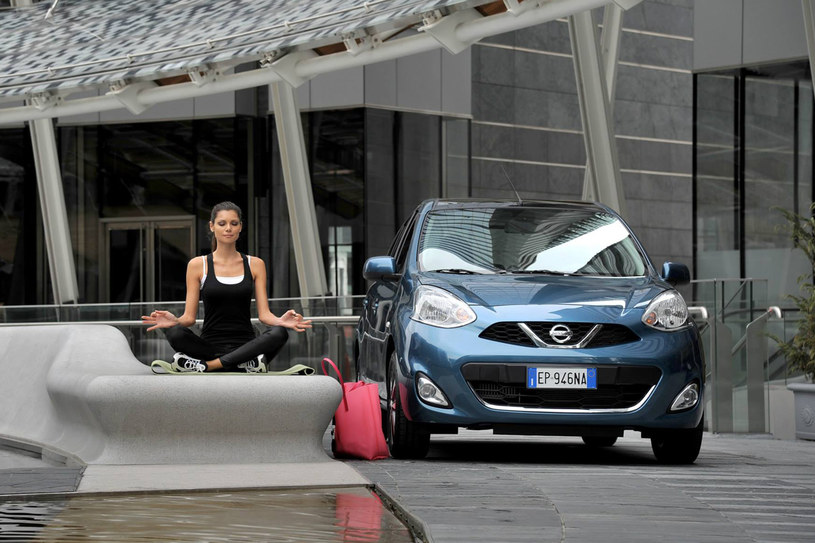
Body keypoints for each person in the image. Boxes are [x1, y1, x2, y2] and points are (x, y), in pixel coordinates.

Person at [141, 201, 311, 372]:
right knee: (175, 333)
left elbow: (265, 315)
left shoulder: (255, 264)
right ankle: (243, 364)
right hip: (208, 347)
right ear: (212, 226)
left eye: (234, 223)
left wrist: (280, 321)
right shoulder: (198, 265)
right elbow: (189, 319)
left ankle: (209, 366)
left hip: (247, 345)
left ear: (240, 227)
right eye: (222, 223)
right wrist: (175, 321)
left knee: (279, 333)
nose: (228, 228)